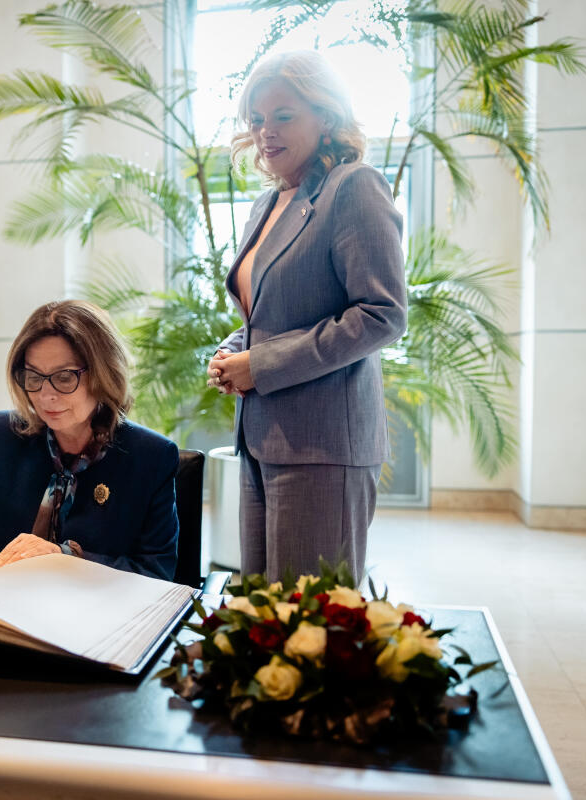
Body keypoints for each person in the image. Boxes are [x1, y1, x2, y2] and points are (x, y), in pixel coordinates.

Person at [206, 50, 407, 582]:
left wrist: (263, 363)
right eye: (256, 119)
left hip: (324, 447)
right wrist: (235, 351)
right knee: (261, 621)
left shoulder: (354, 187)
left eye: (283, 115)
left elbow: (382, 313)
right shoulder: (266, 204)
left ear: (327, 115)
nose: (265, 131)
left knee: (311, 633)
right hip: (260, 438)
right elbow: (269, 312)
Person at [0, 300, 179, 583]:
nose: (46, 395)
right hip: (5, 610)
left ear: (103, 374)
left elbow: (157, 572)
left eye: (64, 377)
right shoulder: (2, 435)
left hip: (98, 615)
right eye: (33, 377)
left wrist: (63, 558)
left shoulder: (151, 456)